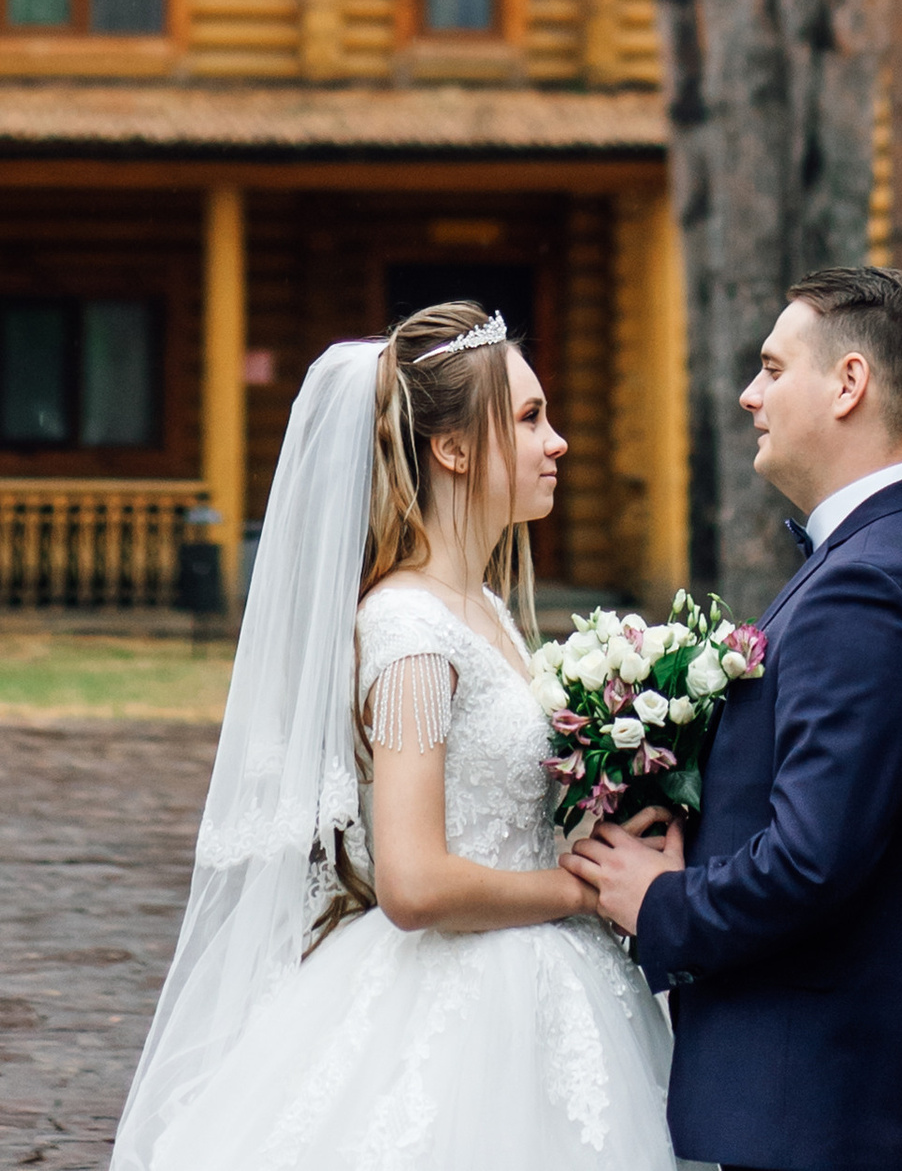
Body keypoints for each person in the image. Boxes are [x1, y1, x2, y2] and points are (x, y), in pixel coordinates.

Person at [110, 302, 686, 1171]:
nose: (556, 441)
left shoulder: (483, 609)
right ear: (451, 449)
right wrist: (579, 892)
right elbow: (413, 880)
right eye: (529, 418)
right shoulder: (413, 631)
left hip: (548, 981)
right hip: (468, 1004)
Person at [572, 266, 902, 1171]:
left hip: (836, 1106)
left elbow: (814, 859)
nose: (748, 394)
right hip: (841, 1096)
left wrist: (662, 901)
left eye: (772, 369)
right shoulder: (881, 553)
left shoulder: (870, 583)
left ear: (848, 383)